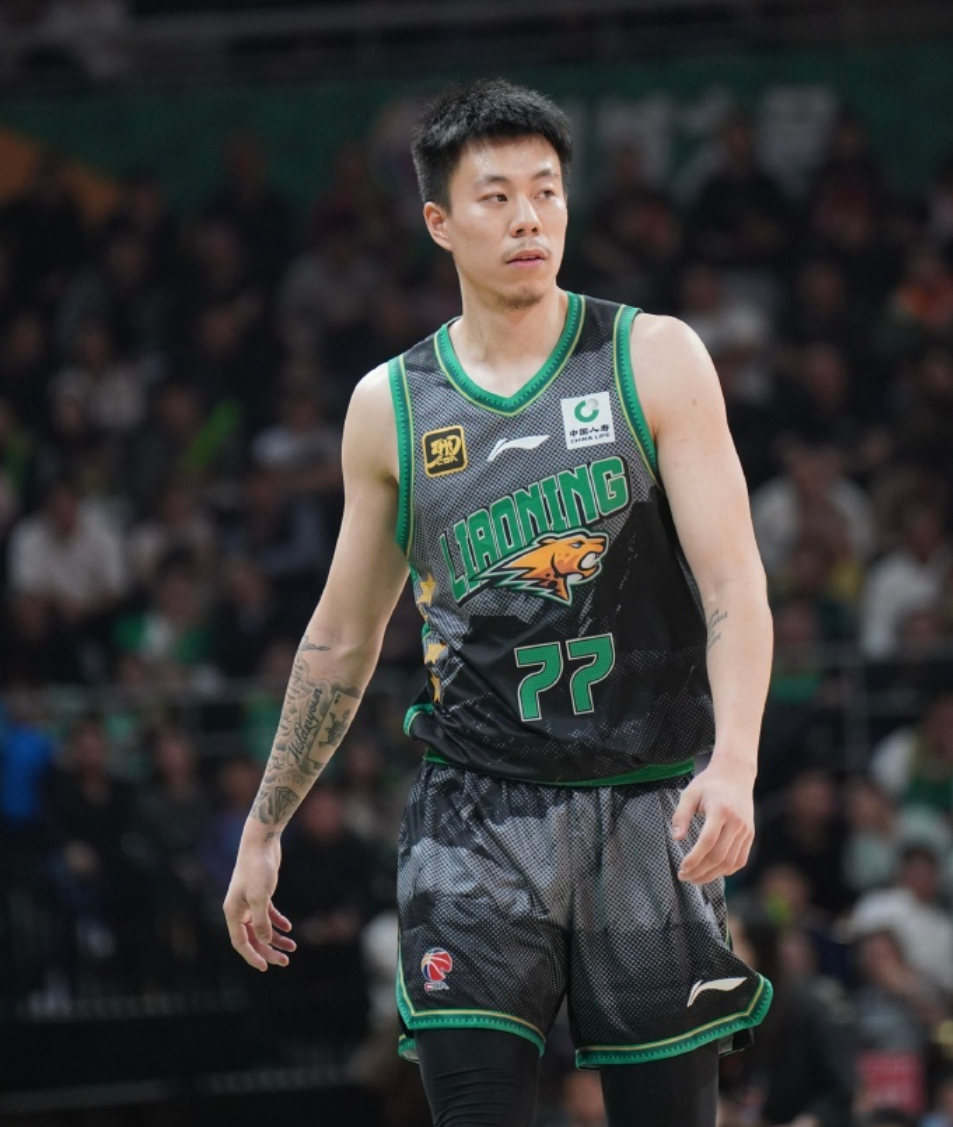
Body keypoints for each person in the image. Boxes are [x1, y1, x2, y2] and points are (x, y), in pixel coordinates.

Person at [223, 79, 774, 1127]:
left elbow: (733, 584)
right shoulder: (390, 406)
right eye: (496, 196)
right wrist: (264, 824)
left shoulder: (650, 357)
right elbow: (341, 637)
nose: (528, 218)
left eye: (545, 191)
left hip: (645, 801)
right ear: (438, 220)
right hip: (475, 812)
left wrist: (736, 762)